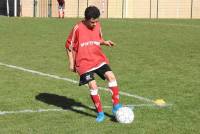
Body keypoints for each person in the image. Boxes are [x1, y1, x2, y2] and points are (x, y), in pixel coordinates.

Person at [65, 6, 122, 122]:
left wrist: (104, 42)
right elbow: (68, 46)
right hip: (83, 63)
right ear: (86, 19)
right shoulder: (77, 28)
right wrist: (71, 63)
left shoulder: (98, 26)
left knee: (111, 77)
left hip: (98, 59)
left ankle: (116, 107)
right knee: (93, 85)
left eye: (97, 21)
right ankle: (100, 113)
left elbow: (97, 39)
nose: (95, 24)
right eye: (92, 22)